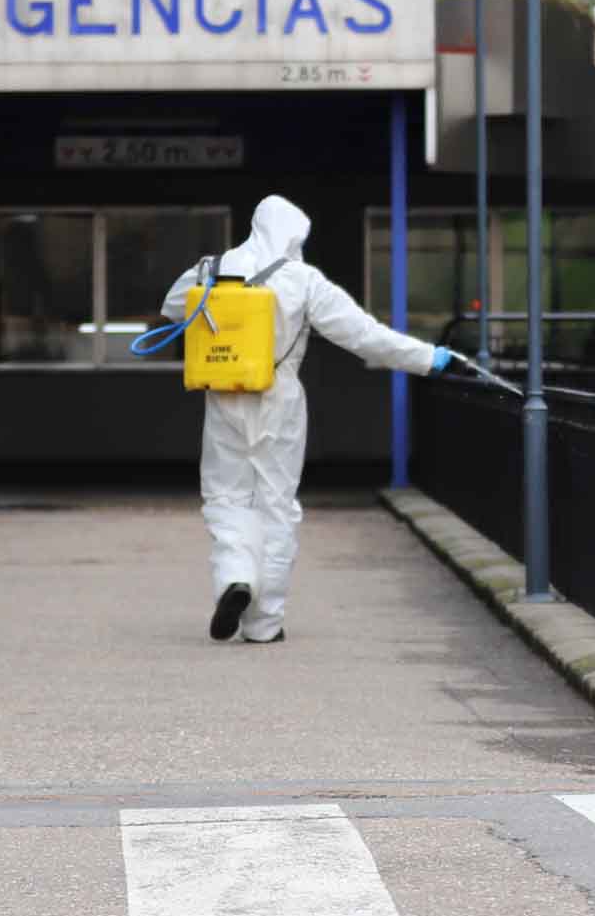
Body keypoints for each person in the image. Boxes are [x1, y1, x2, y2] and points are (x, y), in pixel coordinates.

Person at [163, 194, 453, 645]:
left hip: (222, 395)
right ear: (294, 234)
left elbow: (172, 308)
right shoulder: (302, 279)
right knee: (276, 504)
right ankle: (264, 624)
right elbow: (364, 336)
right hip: (279, 398)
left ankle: (235, 578)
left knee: (225, 495)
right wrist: (426, 358)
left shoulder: (209, 268)